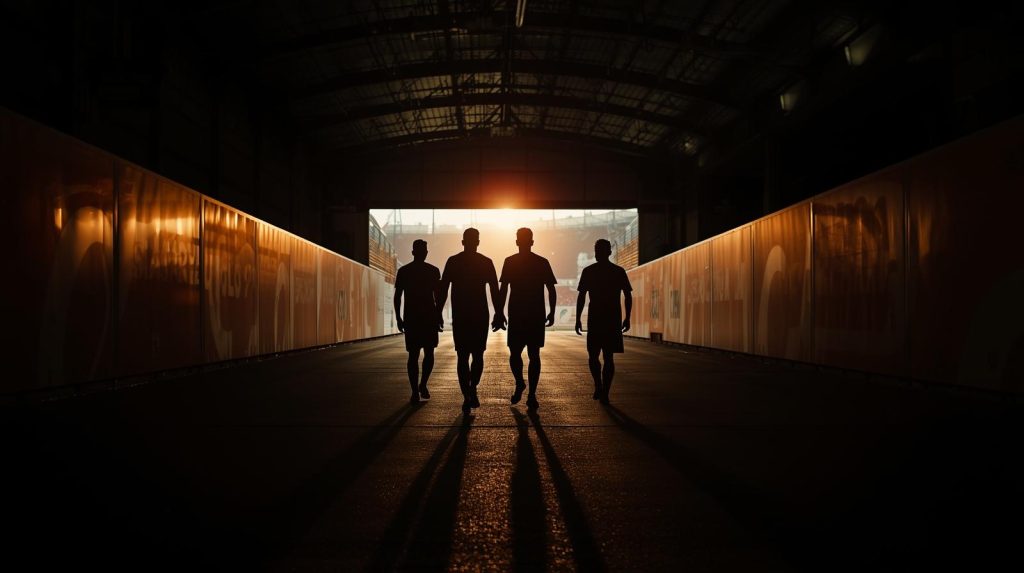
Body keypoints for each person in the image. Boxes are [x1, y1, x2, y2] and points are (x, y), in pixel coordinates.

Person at [438, 228, 501, 413]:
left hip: (461, 315)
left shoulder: (453, 261)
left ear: (463, 242)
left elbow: (443, 289)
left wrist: (438, 312)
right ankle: (473, 389)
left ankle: (466, 393)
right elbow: (494, 291)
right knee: (478, 355)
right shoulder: (486, 262)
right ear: (478, 242)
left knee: (462, 356)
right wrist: (498, 312)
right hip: (480, 315)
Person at [494, 228, 557, 409]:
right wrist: (552, 311)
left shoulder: (510, 262)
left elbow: (504, 289)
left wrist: (499, 311)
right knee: (534, 354)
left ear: (517, 242)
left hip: (517, 313)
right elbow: (551, 289)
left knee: (515, 353)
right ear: (532, 242)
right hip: (535, 314)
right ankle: (531, 394)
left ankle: (520, 383)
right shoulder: (542, 262)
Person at [575, 239, 632, 404]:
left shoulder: (589, 271)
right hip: (612, 319)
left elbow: (582, 296)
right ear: (610, 252)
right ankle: (604, 390)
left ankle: (599, 386)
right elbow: (627, 295)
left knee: (594, 356)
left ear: (603, 252)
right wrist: (627, 317)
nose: (598, 252)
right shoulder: (618, 271)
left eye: (599, 250)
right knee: (608, 357)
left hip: (596, 319)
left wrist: (578, 318)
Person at [394, 240, 442, 403]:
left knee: (413, 355)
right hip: (429, 317)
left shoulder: (404, 271)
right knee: (429, 353)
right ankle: (423, 384)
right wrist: (439, 315)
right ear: (425, 252)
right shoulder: (433, 271)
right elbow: (438, 296)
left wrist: (398, 317)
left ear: (412, 252)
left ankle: (415, 390)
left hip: (412, 318)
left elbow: (398, 296)